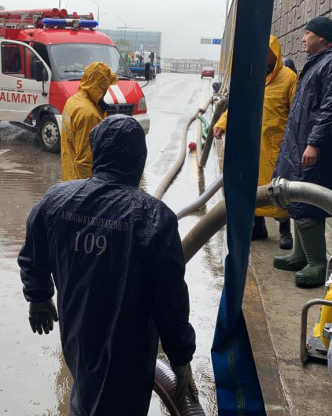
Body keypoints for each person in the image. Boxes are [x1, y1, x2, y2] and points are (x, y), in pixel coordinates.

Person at [18, 115, 198, 415]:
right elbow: (171, 300)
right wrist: (181, 359)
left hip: (77, 336)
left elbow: (32, 252)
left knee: (86, 395)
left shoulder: (56, 201)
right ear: (139, 158)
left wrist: (38, 297)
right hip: (130, 352)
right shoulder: (154, 218)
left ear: (97, 153)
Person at [272, 16, 332, 287]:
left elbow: (331, 109)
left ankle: (317, 263)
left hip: (316, 148)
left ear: (321, 36)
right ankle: (301, 255)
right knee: (297, 197)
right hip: (301, 143)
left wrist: (315, 143)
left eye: (307, 33)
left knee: (309, 201)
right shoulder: (318, 62)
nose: (302, 38)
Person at [213, 35, 298, 249]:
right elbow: (238, 104)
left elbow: (296, 113)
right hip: (252, 143)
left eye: (266, 51)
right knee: (253, 186)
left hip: (276, 145)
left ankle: (285, 230)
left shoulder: (288, 78)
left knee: (279, 188)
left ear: (275, 53)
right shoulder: (251, 75)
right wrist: (222, 122)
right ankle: (258, 226)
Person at [60, 62, 118, 181]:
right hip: (80, 182)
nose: (106, 91)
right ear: (99, 86)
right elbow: (85, 161)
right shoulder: (89, 114)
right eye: (105, 86)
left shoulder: (72, 101)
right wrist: (91, 188)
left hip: (69, 175)